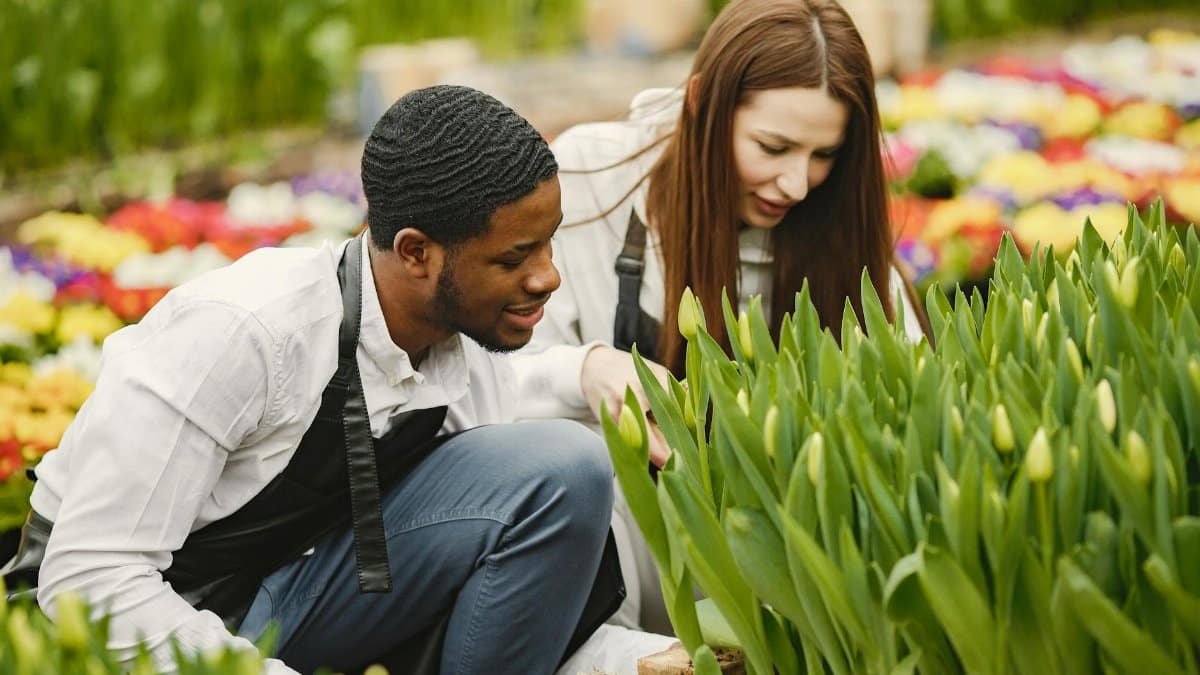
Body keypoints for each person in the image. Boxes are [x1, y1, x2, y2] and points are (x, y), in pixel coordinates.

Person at [4, 85, 654, 674]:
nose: (548, 276)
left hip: (287, 591)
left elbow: (511, 451)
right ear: (415, 252)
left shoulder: (462, 329)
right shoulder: (245, 331)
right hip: (115, 625)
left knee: (565, 468)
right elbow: (89, 575)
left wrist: (588, 369)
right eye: (515, 256)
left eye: (549, 245)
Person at [510, 0, 932, 634]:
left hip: (783, 602)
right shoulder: (592, 180)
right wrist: (585, 370)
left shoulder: (842, 241)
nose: (796, 184)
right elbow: (481, 385)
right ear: (703, 100)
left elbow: (913, 417)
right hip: (612, 576)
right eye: (774, 146)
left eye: (824, 156)